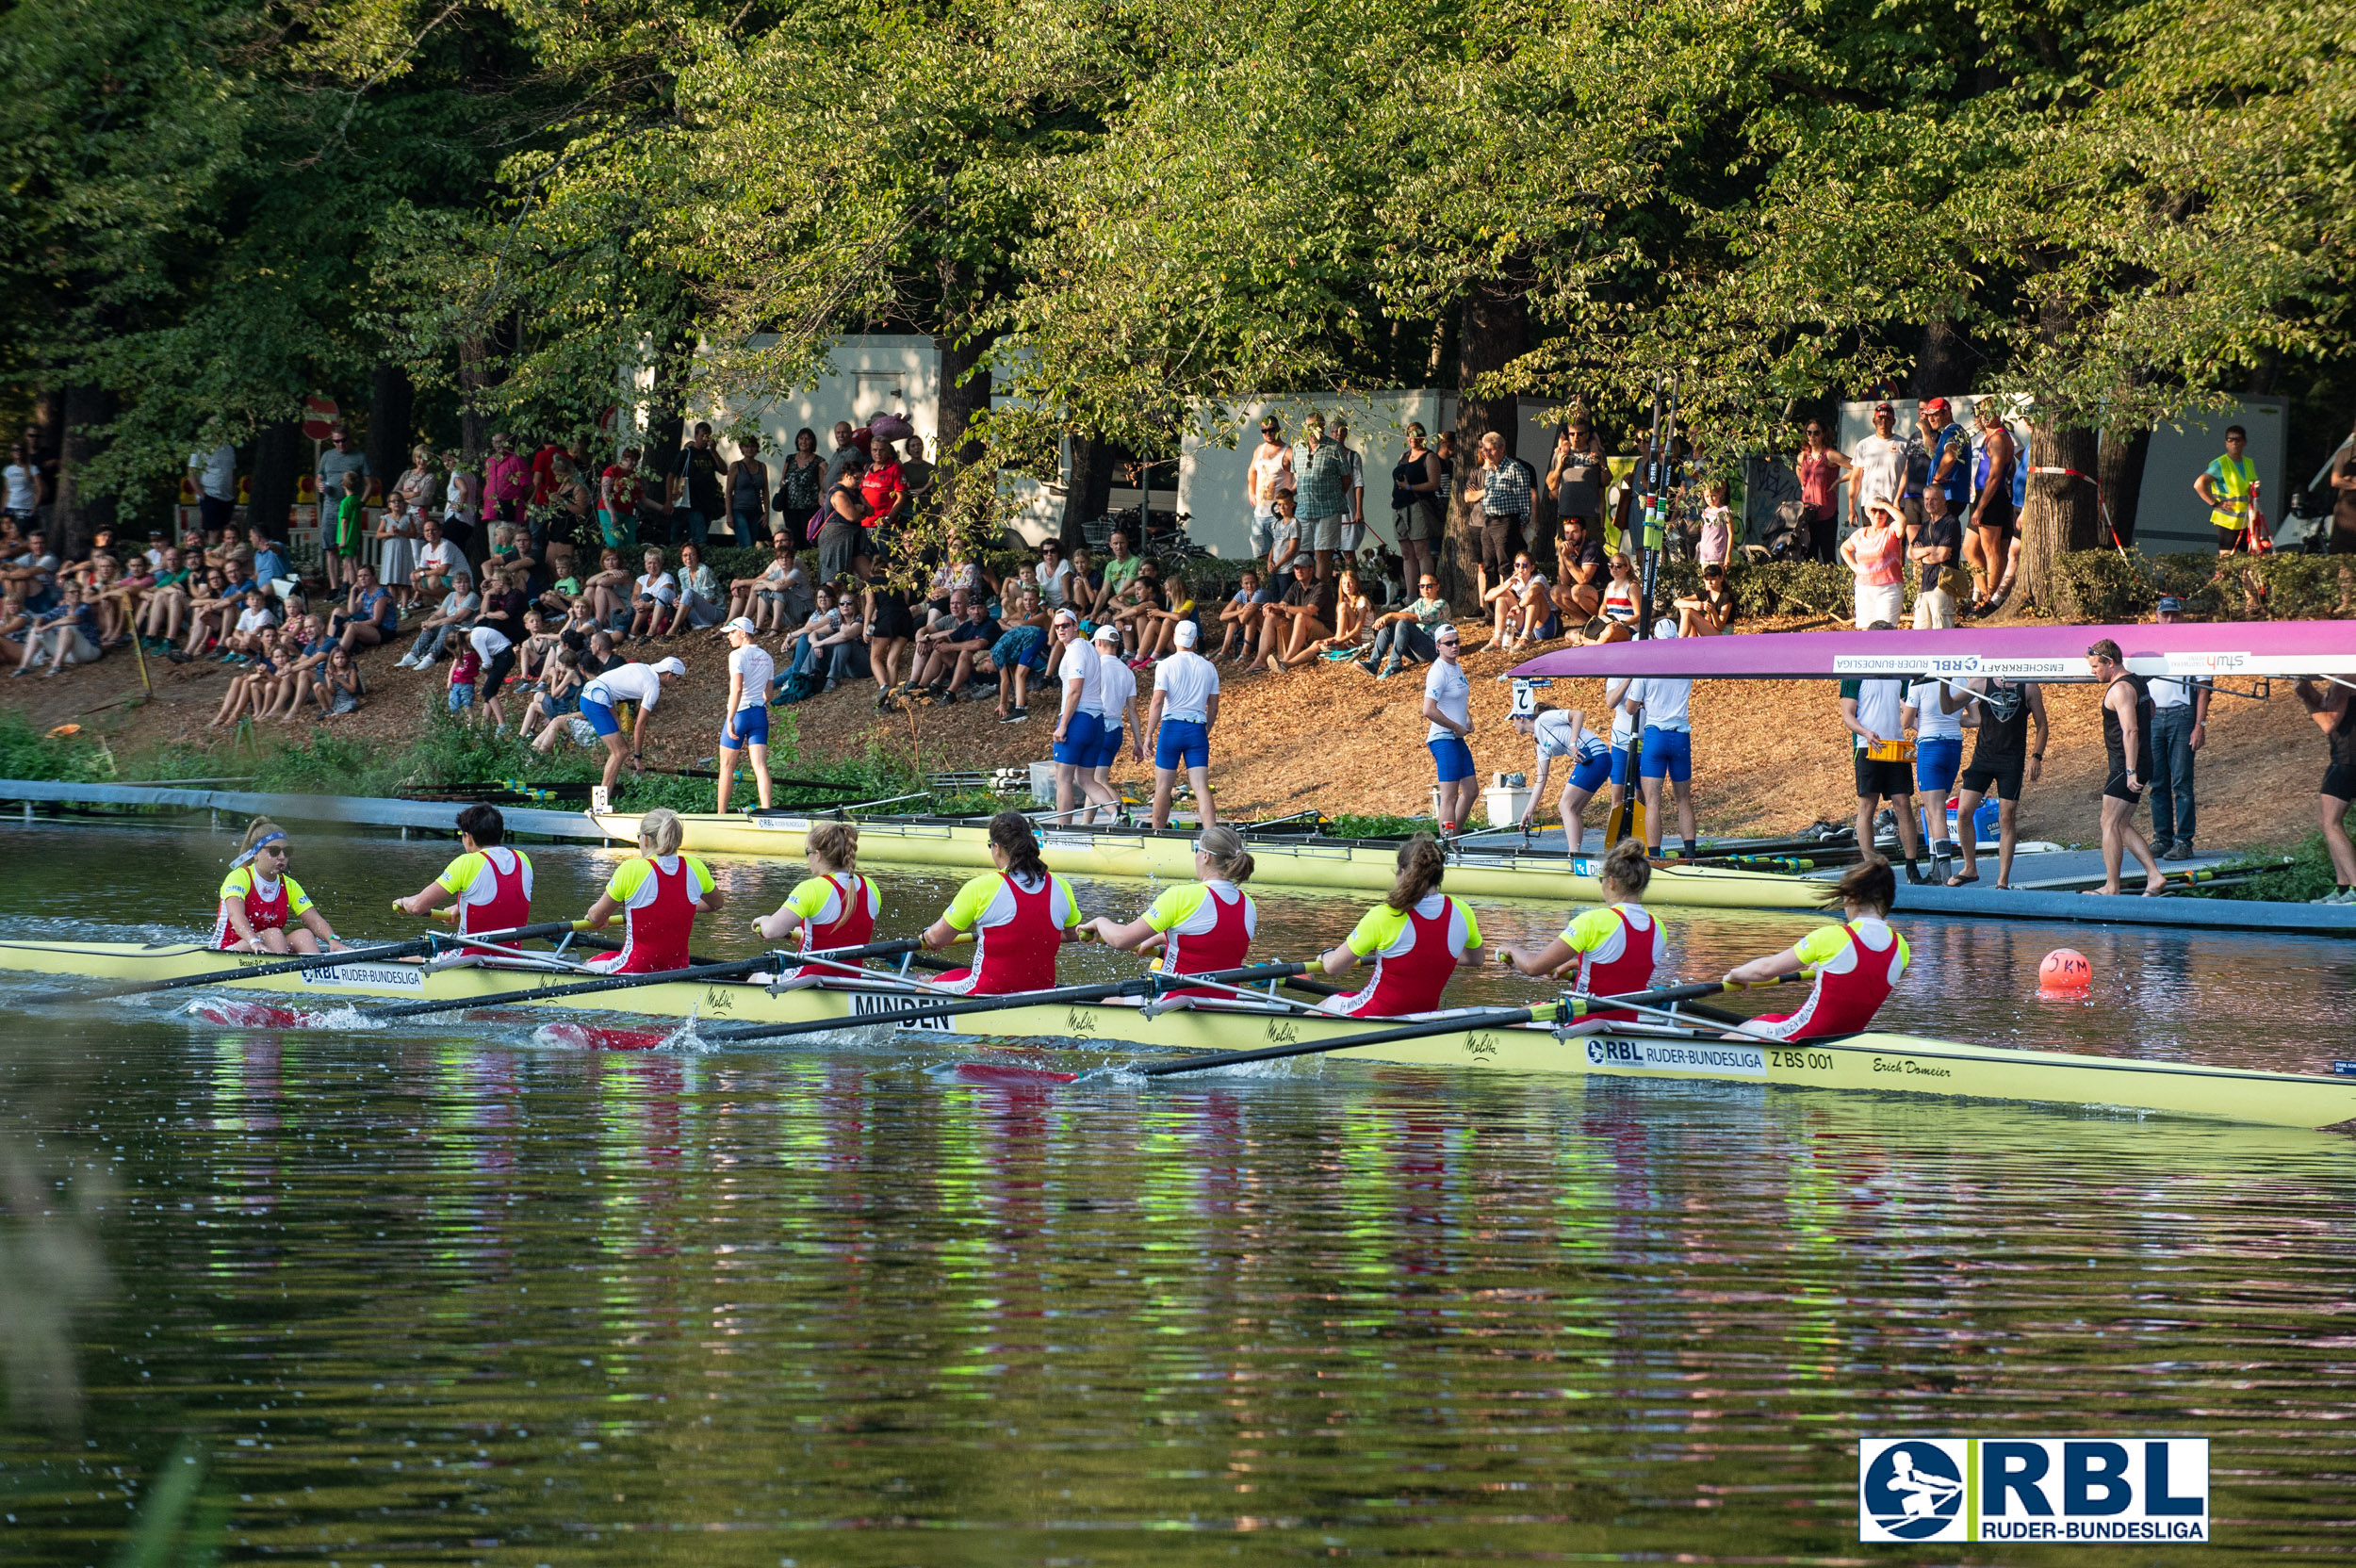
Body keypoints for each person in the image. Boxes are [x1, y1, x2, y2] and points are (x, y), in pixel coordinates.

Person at [1724, 858, 1907, 1039]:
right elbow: (1864, 977)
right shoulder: (1901, 948)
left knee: (1735, 1035)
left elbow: (1765, 971)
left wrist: (1735, 974)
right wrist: (1827, 968)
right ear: (1888, 899)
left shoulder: (1832, 937)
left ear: (1852, 897)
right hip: (1846, 1039)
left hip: (1804, 1035)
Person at [1492, 838, 1662, 1028]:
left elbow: (1533, 967)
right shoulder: (1657, 927)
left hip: (1581, 1023)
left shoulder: (1594, 921)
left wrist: (1511, 949)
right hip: (1626, 1025)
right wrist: (1573, 964)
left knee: (1505, 1023)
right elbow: (1618, 968)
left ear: (1612, 882)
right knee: (1533, 1009)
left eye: (1601, 879)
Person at [1314, 835, 1482, 1017]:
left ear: (1402, 872)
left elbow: (1333, 968)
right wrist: (1429, 957)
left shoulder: (1386, 914)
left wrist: (1325, 954)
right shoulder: (1463, 911)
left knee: (1317, 1010)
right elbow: (1476, 959)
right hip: (1423, 1017)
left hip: (1374, 1013)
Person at [921, 811, 1086, 994]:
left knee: (924, 986)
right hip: (1041, 992)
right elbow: (1073, 934)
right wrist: (1031, 934)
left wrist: (925, 937)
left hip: (986, 991)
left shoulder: (980, 887)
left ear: (996, 847)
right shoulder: (1061, 886)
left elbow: (936, 938)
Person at [1082, 825, 1258, 991]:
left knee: (1105, 1003)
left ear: (1206, 856)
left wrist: (1100, 922)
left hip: (1174, 1002)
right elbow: (1211, 940)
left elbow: (1121, 940)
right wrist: (1160, 937)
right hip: (1226, 1003)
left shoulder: (1181, 896)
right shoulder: (1248, 904)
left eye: (1197, 849)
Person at [581, 807, 724, 972]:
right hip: (677, 968)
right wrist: (678, 906)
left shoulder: (631, 869)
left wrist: (596, 917)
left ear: (646, 839)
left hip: (635, 966)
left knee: (584, 966)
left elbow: (596, 916)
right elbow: (716, 904)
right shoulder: (695, 867)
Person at [1942, 675, 2048, 888]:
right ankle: (1970, 868)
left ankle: (2003, 880)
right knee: (1963, 813)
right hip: (1983, 758)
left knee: (2006, 817)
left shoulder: (2028, 686)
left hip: (2011, 762)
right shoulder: (1980, 683)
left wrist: (2036, 756)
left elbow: (2042, 725)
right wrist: (1944, 684)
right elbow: (1948, 707)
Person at [2086, 637, 2167, 896]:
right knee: (2120, 823)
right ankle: (2154, 876)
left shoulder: (2120, 689)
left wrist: (2130, 770)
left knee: (2108, 822)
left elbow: (2131, 730)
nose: (2093, 672)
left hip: (2126, 765)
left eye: (2096, 667)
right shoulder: (2138, 682)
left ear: (2110, 663)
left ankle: (2112, 887)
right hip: (2139, 762)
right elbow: (2151, 711)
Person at [751, 821, 880, 975]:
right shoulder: (871, 887)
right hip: (851, 980)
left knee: (755, 977)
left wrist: (764, 920)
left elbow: (772, 931)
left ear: (817, 855)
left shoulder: (811, 888)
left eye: (807, 852)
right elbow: (848, 934)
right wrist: (807, 935)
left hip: (810, 978)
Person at [394, 803, 534, 943]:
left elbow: (417, 907)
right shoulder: (522, 859)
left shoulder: (467, 863)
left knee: (407, 959)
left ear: (469, 837)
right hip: (512, 957)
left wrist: (403, 902)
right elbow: (504, 899)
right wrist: (461, 908)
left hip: (469, 954)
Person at [1840, 647, 1922, 877]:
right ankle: (1870, 866)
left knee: (1903, 804)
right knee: (1867, 805)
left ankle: (1911, 866)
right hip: (1868, 747)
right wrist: (1865, 733)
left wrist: (1925, 731)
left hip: (1895, 745)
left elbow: (1909, 710)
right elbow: (1848, 715)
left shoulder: (1900, 672)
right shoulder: (1855, 672)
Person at [211, 819, 347, 954]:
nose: (282, 857)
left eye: (286, 851)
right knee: (274, 935)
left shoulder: (289, 885)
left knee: (304, 936)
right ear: (256, 854)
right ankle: (284, 972)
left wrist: (333, 940)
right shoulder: (238, 877)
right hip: (227, 949)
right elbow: (236, 916)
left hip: (266, 947)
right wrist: (254, 942)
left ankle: (315, 973)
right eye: (274, 851)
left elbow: (314, 920)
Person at [1625, 620, 1698, 860]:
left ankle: (1654, 856)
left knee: (1653, 801)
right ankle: (1690, 854)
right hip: (1680, 736)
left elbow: (1630, 707)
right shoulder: (1687, 665)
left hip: (1655, 735)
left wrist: (1645, 700)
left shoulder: (1646, 667)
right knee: (1683, 799)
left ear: (1655, 640)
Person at [2145, 596, 2211, 860]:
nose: (2170, 620)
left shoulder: (2193, 643)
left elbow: (2204, 688)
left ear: (2182, 615)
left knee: (2182, 782)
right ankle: (2162, 837)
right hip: (2153, 717)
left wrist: (2200, 724)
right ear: (2157, 615)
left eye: (2175, 615)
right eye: (2165, 615)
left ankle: (2184, 841)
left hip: (2182, 716)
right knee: (2157, 781)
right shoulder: (2147, 644)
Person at [563, 656, 686, 796]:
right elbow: (640, 725)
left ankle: (603, 793)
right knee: (620, 751)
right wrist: (638, 757)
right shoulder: (652, 687)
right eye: (678, 678)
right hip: (596, 699)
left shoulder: (642, 666)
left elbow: (610, 685)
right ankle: (601, 803)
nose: (678, 682)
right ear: (669, 675)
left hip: (593, 693)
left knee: (618, 744)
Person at [1145, 619, 1220, 830]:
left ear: (1174, 638)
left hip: (1171, 728)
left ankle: (1157, 833)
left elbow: (1158, 701)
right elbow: (1213, 708)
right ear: (1196, 640)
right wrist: (1205, 731)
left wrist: (1148, 735)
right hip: (1197, 729)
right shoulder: (1209, 667)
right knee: (1201, 787)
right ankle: (1211, 837)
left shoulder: (1166, 665)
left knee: (1162, 787)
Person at [1048, 608, 1122, 823]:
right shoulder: (1089, 649)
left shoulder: (1076, 650)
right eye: (1057, 626)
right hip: (1096, 721)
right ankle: (1117, 814)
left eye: (1066, 625)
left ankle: (1063, 831)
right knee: (1086, 780)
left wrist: (1063, 726)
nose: (1061, 629)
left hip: (1078, 720)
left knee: (1063, 779)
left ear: (1076, 624)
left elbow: (1075, 690)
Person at [2291, 676, 2356, 902]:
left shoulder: (2344, 681)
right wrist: (2309, 692)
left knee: (2331, 823)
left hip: (2347, 760)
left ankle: (2355, 887)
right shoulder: (2345, 682)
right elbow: (2329, 706)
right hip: (2347, 758)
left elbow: (2328, 723)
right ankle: (2343, 887)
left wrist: (2305, 697)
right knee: (2326, 822)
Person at [1513, 699, 1611, 845]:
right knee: (1573, 809)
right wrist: (1528, 811)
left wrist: (1572, 744)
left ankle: (1573, 855)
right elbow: (1541, 779)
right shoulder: (1540, 742)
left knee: (1565, 806)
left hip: (1596, 756)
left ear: (1521, 718)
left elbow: (1578, 714)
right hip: (1596, 760)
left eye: (1512, 719)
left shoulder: (1544, 719)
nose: (1512, 724)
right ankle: (1576, 857)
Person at [1463, 430, 1533, 599]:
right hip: (1489, 521)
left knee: (1505, 565)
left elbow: (1525, 499)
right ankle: (1490, 610)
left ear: (1502, 448)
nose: (1487, 453)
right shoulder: (1491, 471)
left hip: (1506, 521)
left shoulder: (1514, 469)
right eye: (1484, 450)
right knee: (1488, 565)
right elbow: (1471, 496)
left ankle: (1512, 604)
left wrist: (1522, 522)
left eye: (1491, 449)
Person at [1421, 623, 1479, 833]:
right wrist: (1455, 726)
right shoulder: (1438, 672)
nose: (1454, 646)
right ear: (1438, 646)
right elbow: (1428, 709)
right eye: (1449, 643)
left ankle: (1453, 836)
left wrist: (1467, 716)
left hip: (1456, 737)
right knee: (1450, 796)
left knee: (1471, 791)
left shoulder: (1456, 666)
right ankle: (1447, 843)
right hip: (1443, 739)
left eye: (1457, 641)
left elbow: (1457, 698)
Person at [1904, 676, 1965, 868]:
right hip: (1954, 745)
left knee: (1936, 811)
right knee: (1934, 810)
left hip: (1930, 746)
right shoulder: (1962, 678)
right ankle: (1935, 867)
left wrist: (1903, 707)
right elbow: (1976, 718)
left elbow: (1905, 721)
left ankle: (1944, 872)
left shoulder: (1918, 683)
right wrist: (1949, 720)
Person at [715, 617, 775, 813]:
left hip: (740, 714)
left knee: (726, 767)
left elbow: (737, 689)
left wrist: (730, 718)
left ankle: (721, 816)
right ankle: (768, 812)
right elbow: (769, 695)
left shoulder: (736, 656)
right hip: (759, 714)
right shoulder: (767, 657)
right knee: (760, 767)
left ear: (742, 632)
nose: (728, 637)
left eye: (732, 632)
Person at [1967, 404, 2019, 612]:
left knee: (1991, 550)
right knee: (1969, 548)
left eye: (1990, 413)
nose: (1984, 417)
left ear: (1998, 414)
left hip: (1991, 496)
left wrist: (1981, 507)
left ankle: (1990, 599)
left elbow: (1995, 476)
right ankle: (1982, 594)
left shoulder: (1998, 438)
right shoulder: (1988, 438)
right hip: (1982, 494)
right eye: (1981, 414)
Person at [1294, 411, 1351, 580]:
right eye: (1310, 426)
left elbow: (1346, 478)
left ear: (1323, 427)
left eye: (1317, 426)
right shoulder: (1297, 446)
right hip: (1304, 509)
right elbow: (1297, 475)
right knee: (1300, 552)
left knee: (1322, 553)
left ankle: (1320, 594)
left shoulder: (1334, 448)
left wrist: (1334, 496)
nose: (1314, 430)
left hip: (1328, 509)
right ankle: (1303, 592)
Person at [1363, 570, 1449, 680]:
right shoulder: (1419, 602)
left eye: (1429, 586)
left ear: (1437, 587)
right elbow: (1401, 614)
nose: (1425, 589)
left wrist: (1389, 615)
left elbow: (1418, 618)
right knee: (1389, 626)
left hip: (1434, 650)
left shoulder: (1442, 604)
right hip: (1417, 652)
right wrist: (1385, 619)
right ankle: (1373, 664)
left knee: (1404, 623)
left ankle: (1395, 666)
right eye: (1422, 586)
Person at [1257, 556, 1334, 672]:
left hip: (1326, 631)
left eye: (1303, 568)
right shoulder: (1295, 586)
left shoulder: (1320, 587)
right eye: (1296, 568)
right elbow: (1282, 606)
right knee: (1271, 617)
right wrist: (1271, 608)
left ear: (1311, 569)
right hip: (1304, 629)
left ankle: (1286, 660)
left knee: (1301, 616)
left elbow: (1310, 610)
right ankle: (1260, 660)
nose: (1299, 571)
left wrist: (1282, 607)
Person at [1392, 422, 1444, 593]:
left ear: (1423, 436)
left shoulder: (1429, 457)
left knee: (1421, 550)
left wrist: (1410, 488)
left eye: (1417, 434)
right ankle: (1410, 595)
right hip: (1399, 507)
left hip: (1418, 506)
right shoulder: (1402, 456)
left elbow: (1434, 484)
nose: (1413, 438)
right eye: (1410, 434)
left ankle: (1427, 592)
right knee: (1406, 553)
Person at [1841, 499, 1906, 628]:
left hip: (1889, 589)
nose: (1877, 514)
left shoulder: (1891, 531)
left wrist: (1884, 505)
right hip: (1863, 590)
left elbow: (1903, 522)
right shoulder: (1859, 534)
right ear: (1868, 513)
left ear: (1887, 514)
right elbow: (1844, 548)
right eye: (1874, 510)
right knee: (1866, 632)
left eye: (1882, 511)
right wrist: (1854, 567)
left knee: (1886, 631)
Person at [2194, 424, 2259, 553]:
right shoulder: (2220, 464)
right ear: (2226, 443)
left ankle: (2244, 575)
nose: (2234, 443)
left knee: (2252, 561)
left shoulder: (2248, 463)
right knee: (2226, 562)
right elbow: (2199, 484)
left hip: (2246, 520)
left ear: (2244, 442)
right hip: (2227, 521)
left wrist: (2256, 491)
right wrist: (2215, 504)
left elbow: (2251, 489)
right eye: (2230, 440)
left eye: (2237, 439)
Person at [1795, 418, 1851, 565]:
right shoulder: (1803, 456)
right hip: (1807, 512)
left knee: (1828, 555)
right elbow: (1799, 467)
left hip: (1826, 511)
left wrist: (1839, 481)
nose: (1812, 437)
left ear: (1823, 434)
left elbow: (1857, 466)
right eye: (1809, 433)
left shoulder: (1829, 455)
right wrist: (1803, 483)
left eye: (1816, 433)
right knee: (1808, 555)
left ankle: (1831, 588)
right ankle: (1811, 588)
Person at [1246, 414, 1293, 564]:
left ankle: (1281, 584)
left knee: (1281, 554)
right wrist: (1251, 492)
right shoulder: (1259, 450)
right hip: (1260, 513)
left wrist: (1288, 496)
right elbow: (1252, 471)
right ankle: (1264, 585)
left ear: (1278, 429)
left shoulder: (1287, 451)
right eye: (1264, 431)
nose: (1268, 434)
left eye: (1272, 430)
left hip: (1278, 514)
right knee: (1260, 554)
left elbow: (1301, 477)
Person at [1674, 561, 1736, 638]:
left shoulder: (1726, 596)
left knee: (1688, 612)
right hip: (1711, 631)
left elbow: (1720, 627)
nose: (1709, 583)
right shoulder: (1705, 594)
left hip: (1722, 635)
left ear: (1721, 578)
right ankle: (1690, 642)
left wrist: (1713, 612)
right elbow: (1676, 602)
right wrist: (1693, 604)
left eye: (1713, 579)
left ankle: (1680, 643)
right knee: (1684, 608)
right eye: (1707, 580)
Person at [727, 437, 770, 546]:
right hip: (739, 510)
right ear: (742, 448)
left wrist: (766, 514)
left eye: (753, 446)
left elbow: (765, 491)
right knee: (746, 542)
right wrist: (729, 515)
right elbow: (728, 492)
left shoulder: (762, 467)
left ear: (757, 448)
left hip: (756, 511)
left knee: (753, 541)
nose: (750, 449)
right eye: (746, 446)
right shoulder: (736, 466)